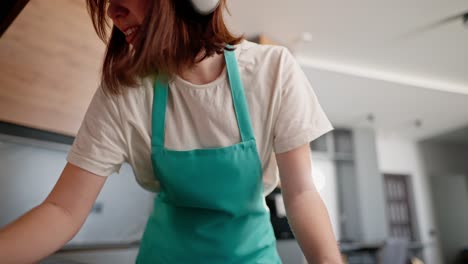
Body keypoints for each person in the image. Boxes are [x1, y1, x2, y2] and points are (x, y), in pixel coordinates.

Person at [0, 0, 343, 263]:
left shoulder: (273, 71)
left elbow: (300, 194)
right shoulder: (126, 91)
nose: (112, 12)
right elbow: (63, 210)